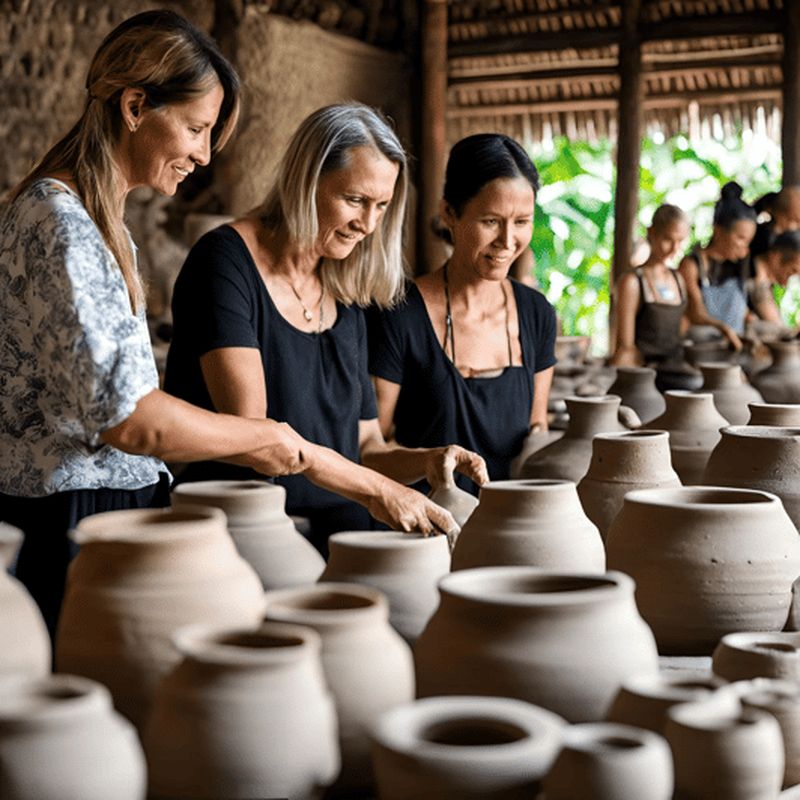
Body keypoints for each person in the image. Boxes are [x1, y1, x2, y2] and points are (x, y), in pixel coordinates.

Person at [0, 12, 456, 636]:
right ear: (135, 106)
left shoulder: (99, 224)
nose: (204, 154)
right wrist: (269, 442)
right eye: (195, 128)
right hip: (73, 514)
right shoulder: (64, 224)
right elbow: (130, 419)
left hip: (105, 508)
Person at [164, 103, 487, 553]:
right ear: (306, 180)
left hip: (342, 537)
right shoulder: (224, 263)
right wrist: (376, 491)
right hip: (247, 537)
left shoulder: (341, 284)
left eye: (382, 206)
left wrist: (425, 460)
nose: (368, 224)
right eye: (354, 200)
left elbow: (366, 444)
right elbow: (255, 438)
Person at [368, 133, 557, 494]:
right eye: (490, 221)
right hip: (421, 530)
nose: (507, 240)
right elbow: (371, 449)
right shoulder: (399, 314)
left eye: (521, 222)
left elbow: (537, 430)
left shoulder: (537, 315)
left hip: (510, 527)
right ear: (449, 213)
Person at [678, 181, 757, 348]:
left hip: (734, 352)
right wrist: (724, 329)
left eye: (748, 241)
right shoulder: (691, 266)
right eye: (740, 238)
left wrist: (751, 322)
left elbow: (743, 314)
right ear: (718, 230)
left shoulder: (738, 268)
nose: (744, 247)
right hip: (702, 352)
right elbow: (695, 313)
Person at [611, 204, 690, 368]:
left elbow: (682, 332)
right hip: (645, 371)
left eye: (680, 241)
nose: (674, 248)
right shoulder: (632, 282)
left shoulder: (678, 280)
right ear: (651, 233)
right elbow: (626, 347)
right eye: (668, 239)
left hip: (675, 367)